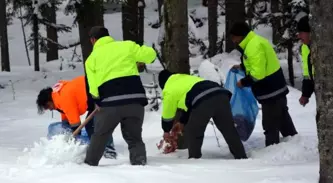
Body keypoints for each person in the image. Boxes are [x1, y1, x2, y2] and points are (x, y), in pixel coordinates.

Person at [84, 26, 157, 166]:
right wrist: (151, 52)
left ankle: (89, 165)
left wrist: (98, 100)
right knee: (134, 137)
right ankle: (140, 165)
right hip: (135, 101)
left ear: (93, 40)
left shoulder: (91, 59)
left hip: (110, 104)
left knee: (100, 136)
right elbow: (150, 55)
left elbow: (93, 89)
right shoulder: (127, 46)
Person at [229, 22, 298, 147]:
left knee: (270, 124)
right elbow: (258, 63)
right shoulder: (255, 42)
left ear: (240, 35)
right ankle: (295, 143)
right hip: (276, 88)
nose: (233, 40)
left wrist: (243, 82)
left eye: (233, 37)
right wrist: (242, 67)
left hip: (270, 91)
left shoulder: (253, 46)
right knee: (282, 118)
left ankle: (272, 151)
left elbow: (258, 74)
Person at [158, 69, 248, 159]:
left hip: (203, 100)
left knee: (193, 131)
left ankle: (194, 159)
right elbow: (191, 104)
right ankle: (241, 157)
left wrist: (166, 131)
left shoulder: (169, 88)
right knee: (229, 129)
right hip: (221, 94)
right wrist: (182, 122)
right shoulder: (184, 79)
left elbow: (168, 114)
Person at [36, 76, 117, 159]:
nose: (49, 109)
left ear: (49, 101)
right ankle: (99, 148)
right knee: (91, 125)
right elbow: (66, 119)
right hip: (94, 95)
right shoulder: (57, 96)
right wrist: (66, 134)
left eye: (47, 106)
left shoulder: (63, 98)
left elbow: (75, 124)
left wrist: (74, 143)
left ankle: (108, 150)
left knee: (96, 124)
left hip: (99, 93)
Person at [297, 16, 314, 106]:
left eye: (301, 32)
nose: (299, 36)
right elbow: (307, 72)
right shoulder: (304, 47)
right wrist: (305, 94)